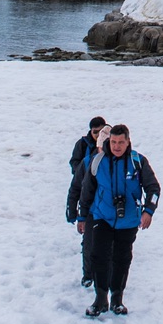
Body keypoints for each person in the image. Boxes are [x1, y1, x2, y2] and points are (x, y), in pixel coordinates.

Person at [75, 124, 159, 316]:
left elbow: (153, 188)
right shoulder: (97, 162)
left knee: (122, 259)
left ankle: (117, 300)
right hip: (102, 217)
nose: (117, 146)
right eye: (113, 142)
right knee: (98, 256)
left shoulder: (138, 161)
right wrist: (82, 216)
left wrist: (149, 211)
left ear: (128, 142)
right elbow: (86, 191)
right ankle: (100, 299)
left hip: (128, 221)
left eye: (121, 142)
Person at [66, 116, 110, 288]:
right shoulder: (84, 149)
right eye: (95, 132)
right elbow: (75, 187)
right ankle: (88, 274)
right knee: (89, 243)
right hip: (91, 206)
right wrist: (74, 211)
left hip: (107, 209)